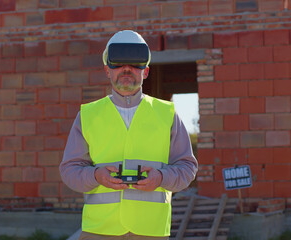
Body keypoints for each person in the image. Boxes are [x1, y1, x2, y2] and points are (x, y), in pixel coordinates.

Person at [59, 30, 198, 240]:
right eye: (118, 64)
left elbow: (188, 167)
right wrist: (96, 176)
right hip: (99, 230)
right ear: (107, 70)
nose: (126, 69)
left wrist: (161, 178)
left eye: (134, 64)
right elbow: (69, 169)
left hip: (151, 231)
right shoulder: (88, 116)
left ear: (146, 71)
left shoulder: (167, 114)